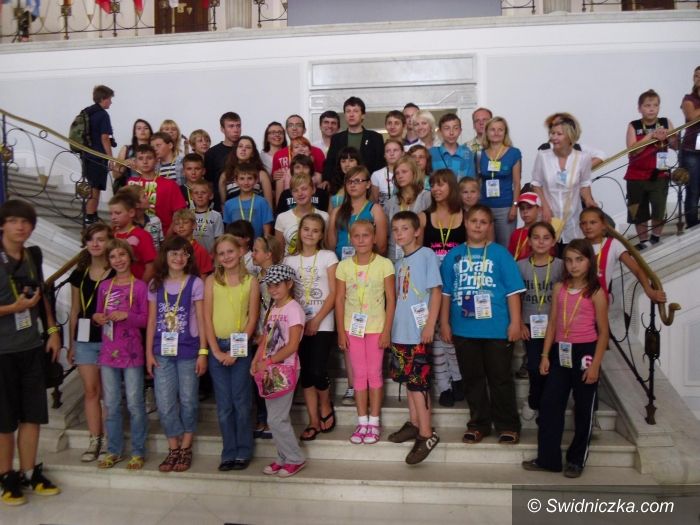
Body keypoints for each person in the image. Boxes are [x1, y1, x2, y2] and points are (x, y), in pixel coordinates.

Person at [522, 239, 609, 478]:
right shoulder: (559, 287)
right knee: (550, 405)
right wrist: (544, 355)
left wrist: (595, 366)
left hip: (585, 352)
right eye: (569, 260)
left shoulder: (596, 293)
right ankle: (548, 459)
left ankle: (576, 460)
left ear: (589, 261)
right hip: (560, 351)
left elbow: (604, 333)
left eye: (579, 259)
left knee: (583, 408)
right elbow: (552, 324)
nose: (574, 265)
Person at [440, 204, 525, 445]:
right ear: (465, 223)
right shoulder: (453, 255)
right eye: (474, 221)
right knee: (472, 379)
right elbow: (446, 293)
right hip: (464, 329)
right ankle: (479, 424)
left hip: (496, 328)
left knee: (500, 379)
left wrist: (515, 322)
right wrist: (444, 323)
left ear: (489, 226)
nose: (478, 225)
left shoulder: (500, 254)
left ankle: (507, 425)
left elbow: (513, 292)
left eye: (483, 222)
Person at [0, 200, 62, 506]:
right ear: (2, 225)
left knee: (32, 415)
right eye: (13, 221)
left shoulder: (32, 255)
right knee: (4, 420)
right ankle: (6, 476)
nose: (20, 227)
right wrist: (13, 308)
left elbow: (41, 296)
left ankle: (29, 471)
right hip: (3, 351)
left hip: (31, 347)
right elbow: (20, 305)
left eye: (25, 222)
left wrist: (52, 330)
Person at [146, 236, 207, 473]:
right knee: (165, 402)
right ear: (165, 256)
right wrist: (148, 352)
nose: (178, 258)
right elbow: (152, 320)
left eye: (183, 253)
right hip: (161, 352)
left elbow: (201, 319)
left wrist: (203, 352)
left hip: (188, 350)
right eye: (174, 253)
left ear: (188, 258)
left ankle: (186, 446)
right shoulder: (155, 284)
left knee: (189, 399)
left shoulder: (195, 283)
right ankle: (173, 446)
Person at [387, 211, 442, 464]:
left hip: (419, 332)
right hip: (400, 331)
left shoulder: (427, 255)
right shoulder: (398, 262)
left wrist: (430, 324)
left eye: (405, 228)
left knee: (418, 383)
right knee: (408, 381)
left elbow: (436, 292)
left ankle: (426, 434)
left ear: (417, 231)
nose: (399, 233)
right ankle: (414, 422)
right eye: (395, 229)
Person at [336, 220, 395, 445]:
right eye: (357, 236)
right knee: (359, 375)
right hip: (352, 329)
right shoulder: (343, 266)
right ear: (350, 239)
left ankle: (374, 422)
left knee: (374, 373)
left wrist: (387, 330)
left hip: (376, 328)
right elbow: (339, 300)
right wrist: (341, 332)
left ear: (374, 238)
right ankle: (362, 421)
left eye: (366, 235)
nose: (361, 240)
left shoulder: (384, 264)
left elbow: (391, 299)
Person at [204, 234, 260, 470]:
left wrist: (236, 352)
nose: (226, 256)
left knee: (241, 400)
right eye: (221, 253)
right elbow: (206, 318)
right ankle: (228, 451)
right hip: (217, 346)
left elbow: (252, 318)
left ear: (240, 252)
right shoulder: (211, 281)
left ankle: (243, 450)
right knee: (224, 404)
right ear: (216, 257)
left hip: (240, 347)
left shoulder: (251, 282)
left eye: (230, 251)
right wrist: (215, 351)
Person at [94, 239, 149, 470]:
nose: (118, 260)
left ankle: (138, 451)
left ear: (130, 256)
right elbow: (98, 313)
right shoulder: (104, 286)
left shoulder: (140, 287)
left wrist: (127, 316)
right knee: (112, 404)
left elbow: (146, 319)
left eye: (122, 255)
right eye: (113, 256)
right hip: (108, 353)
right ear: (108, 261)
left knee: (135, 403)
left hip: (132, 353)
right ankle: (113, 450)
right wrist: (97, 318)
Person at [283, 214, 338, 440]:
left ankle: (325, 404)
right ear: (300, 231)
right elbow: (287, 295)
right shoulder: (289, 261)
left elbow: (334, 293)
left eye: (315, 230)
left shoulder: (328, 256)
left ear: (321, 234)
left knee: (317, 370)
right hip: (297, 323)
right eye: (306, 229)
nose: (310, 234)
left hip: (322, 321)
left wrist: (316, 320)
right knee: (305, 373)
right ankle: (313, 420)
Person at [252, 264, 307, 477]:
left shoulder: (294, 309)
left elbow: (292, 345)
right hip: (270, 369)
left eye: (277, 285)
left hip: (285, 370)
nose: (273, 289)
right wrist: (256, 360)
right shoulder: (273, 309)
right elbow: (266, 338)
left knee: (277, 418)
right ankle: (283, 457)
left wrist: (268, 361)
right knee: (274, 417)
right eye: (270, 286)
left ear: (289, 284)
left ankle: (295, 458)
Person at [67, 223, 114, 463]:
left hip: (109, 337)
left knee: (108, 391)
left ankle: (109, 438)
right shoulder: (80, 273)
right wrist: (72, 343)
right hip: (85, 338)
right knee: (90, 390)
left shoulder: (115, 271)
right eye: (91, 239)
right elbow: (75, 309)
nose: (95, 244)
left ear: (109, 242)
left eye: (101, 239)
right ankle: (94, 438)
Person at [419, 169, 465, 406]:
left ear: (452, 187)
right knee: (436, 334)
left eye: (441, 184)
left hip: (459, 284)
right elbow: (417, 254)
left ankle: (457, 377)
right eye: (433, 185)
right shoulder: (424, 217)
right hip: (433, 285)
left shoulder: (465, 215)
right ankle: (444, 384)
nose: (436, 189)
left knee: (451, 332)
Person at [516, 222, 563, 421]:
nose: (541, 242)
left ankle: (543, 404)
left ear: (553, 241)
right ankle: (534, 400)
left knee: (552, 366)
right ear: (529, 241)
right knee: (535, 365)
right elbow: (515, 297)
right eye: (536, 237)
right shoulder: (520, 266)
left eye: (546, 238)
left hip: (556, 325)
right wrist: (519, 322)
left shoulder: (561, 265)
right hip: (530, 324)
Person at [531, 118, 596, 252]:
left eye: (559, 134)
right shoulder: (543, 156)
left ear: (570, 136)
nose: (554, 137)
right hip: (549, 217)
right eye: (552, 133)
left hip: (573, 218)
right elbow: (536, 183)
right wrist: (545, 207)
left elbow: (584, 184)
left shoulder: (583, 158)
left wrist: (589, 200)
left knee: (573, 254)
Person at [579, 207, 665, 303]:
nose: (588, 227)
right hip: (578, 301)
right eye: (584, 223)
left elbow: (637, 270)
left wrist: (649, 291)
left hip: (600, 302)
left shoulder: (614, 245)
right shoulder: (578, 246)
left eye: (593, 222)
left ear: (604, 225)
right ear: (580, 226)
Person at [624, 89, 676, 248]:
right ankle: (643, 241)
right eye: (647, 105)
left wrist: (670, 136)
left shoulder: (665, 122)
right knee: (638, 210)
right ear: (639, 108)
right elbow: (633, 150)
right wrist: (651, 135)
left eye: (655, 105)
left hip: (659, 174)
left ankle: (655, 237)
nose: (652, 109)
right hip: (636, 176)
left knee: (659, 207)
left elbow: (676, 145)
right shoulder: (634, 125)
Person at [251, 234, 284, 439]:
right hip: (257, 333)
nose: (252, 254)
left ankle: (273, 419)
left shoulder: (279, 277)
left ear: (269, 254)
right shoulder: (254, 277)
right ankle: (262, 417)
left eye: (256, 251)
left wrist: (266, 334)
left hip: (274, 335)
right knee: (258, 377)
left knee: (272, 376)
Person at [328, 166, 388, 260]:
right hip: (341, 264)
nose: (352, 185)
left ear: (368, 184)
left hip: (368, 264)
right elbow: (331, 246)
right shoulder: (337, 211)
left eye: (357, 181)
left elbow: (381, 247)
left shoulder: (375, 210)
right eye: (349, 181)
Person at [127, 143, 188, 234]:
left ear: (156, 160)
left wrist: (168, 236)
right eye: (140, 158)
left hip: (164, 235)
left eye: (149, 158)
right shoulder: (131, 183)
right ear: (135, 162)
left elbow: (179, 213)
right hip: (135, 235)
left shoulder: (170, 184)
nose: (145, 162)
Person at [480, 117, 522, 247]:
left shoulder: (514, 153)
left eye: (500, 130)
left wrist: (515, 205)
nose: (496, 133)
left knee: (506, 246)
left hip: (506, 207)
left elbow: (517, 183)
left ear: (505, 132)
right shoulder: (480, 154)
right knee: (487, 247)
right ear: (487, 132)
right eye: (492, 129)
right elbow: (477, 181)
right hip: (485, 207)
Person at [323, 97, 386, 184]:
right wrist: (326, 180)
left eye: (355, 111)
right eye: (348, 111)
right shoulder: (337, 138)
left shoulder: (375, 138)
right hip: (341, 185)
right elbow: (330, 163)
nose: (351, 115)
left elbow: (380, 165)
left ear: (363, 115)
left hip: (368, 185)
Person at [383, 155, 431, 261]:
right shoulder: (390, 203)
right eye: (397, 173)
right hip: (394, 259)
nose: (400, 176)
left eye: (404, 172)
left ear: (414, 173)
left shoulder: (427, 198)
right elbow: (387, 234)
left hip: (419, 258)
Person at [275, 172, 329, 256]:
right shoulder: (282, 218)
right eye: (295, 190)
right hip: (290, 262)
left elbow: (326, 248)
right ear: (291, 193)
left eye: (304, 189)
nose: (300, 193)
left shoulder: (324, 217)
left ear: (313, 189)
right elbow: (279, 253)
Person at [83, 85, 115, 225]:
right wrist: (110, 158)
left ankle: (91, 214)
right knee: (95, 187)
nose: (111, 102)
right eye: (110, 99)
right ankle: (90, 215)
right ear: (103, 99)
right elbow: (104, 138)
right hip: (97, 156)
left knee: (92, 185)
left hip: (86, 155)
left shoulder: (87, 112)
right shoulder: (103, 115)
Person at [108, 191, 156, 282]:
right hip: (114, 285)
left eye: (117, 213)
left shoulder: (142, 235)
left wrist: (141, 286)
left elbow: (151, 266)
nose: (113, 217)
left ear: (131, 212)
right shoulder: (110, 234)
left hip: (136, 285)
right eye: (111, 214)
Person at [219, 136, 273, 211]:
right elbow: (223, 204)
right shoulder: (225, 175)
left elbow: (269, 205)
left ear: (252, 153)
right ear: (235, 150)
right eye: (240, 146)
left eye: (248, 147)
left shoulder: (261, 174)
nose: (243, 149)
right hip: (234, 216)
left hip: (256, 215)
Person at [272, 115, 326, 190]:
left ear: (304, 130)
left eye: (298, 125)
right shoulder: (278, 155)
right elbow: (274, 181)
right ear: (286, 130)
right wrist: (274, 177)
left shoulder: (317, 152)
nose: (294, 128)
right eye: (290, 125)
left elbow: (323, 178)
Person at [223, 163, 274, 239]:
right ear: (236, 181)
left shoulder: (262, 202)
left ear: (256, 180)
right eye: (242, 179)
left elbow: (267, 232)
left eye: (250, 178)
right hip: (235, 244)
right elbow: (228, 231)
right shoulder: (229, 204)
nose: (246, 182)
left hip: (257, 244)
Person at [204, 112, 242, 212]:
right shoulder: (212, 153)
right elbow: (209, 182)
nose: (236, 130)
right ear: (222, 129)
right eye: (231, 126)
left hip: (249, 203)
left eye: (238, 126)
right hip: (221, 206)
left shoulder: (247, 149)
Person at [681, 66, 700, 228]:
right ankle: (692, 224)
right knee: (693, 189)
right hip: (691, 151)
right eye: (696, 75)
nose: (698, 78)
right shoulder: (688, 99)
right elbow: (692, 116)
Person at [429, 113, 475, 180]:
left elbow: (471, 180)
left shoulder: (467, 153)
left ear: (460, 131)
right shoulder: (432, 153)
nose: (451, 132)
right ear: (440, 131)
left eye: (456, 128)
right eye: (447, 128)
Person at [118, 185, 164, 250]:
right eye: (144, 197)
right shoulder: (125, 226)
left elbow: (161, 245)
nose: (148, 198)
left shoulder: (155, 220)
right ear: (136, 204)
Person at [172, 209, 214, 278]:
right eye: (177, 223)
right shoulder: (170, 249)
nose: (181, 226)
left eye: (185, 222)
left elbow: (203, 276)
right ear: (174, 228)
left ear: (194, 225)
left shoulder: (201, 251)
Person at [113, 118, 153, 191]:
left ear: (150, 132)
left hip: (150, 188)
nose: (142, 130)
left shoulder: (155, 150)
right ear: (135, 133)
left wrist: (138, 168)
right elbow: (115, 175)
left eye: (146, 128)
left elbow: (159, 173)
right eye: (139, 128)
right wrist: (124, 165)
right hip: (130, 191)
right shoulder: (126, 149)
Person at [191, 179, 224, 254]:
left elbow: (219, 239)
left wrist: (213, 255)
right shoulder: (188, 215)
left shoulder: (216, 216)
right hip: (191, 256)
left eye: (203, 192)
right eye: (196, 193)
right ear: (192, 196)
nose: (200, 196)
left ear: (211, 196)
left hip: (210, 256)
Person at [508, 192, 542, 261]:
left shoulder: (543, 232)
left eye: (529, 207)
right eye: (522, 208)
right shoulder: (516, 233)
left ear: (538, 209)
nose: (525, 211)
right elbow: (510, 257)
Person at [370, 139, 403, 206]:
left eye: (395, 150)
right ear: (384, 155)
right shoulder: (376, 175)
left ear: (402, 153)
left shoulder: (410, 173)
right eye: (388, 151)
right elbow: (374, 202)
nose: (392, 154)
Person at [467, 107, 493, 177]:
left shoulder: (501, 147)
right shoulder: (466, 147)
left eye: (485, 120)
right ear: (473, 125)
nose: (481, 123)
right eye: (477, 120)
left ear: (492, 123)